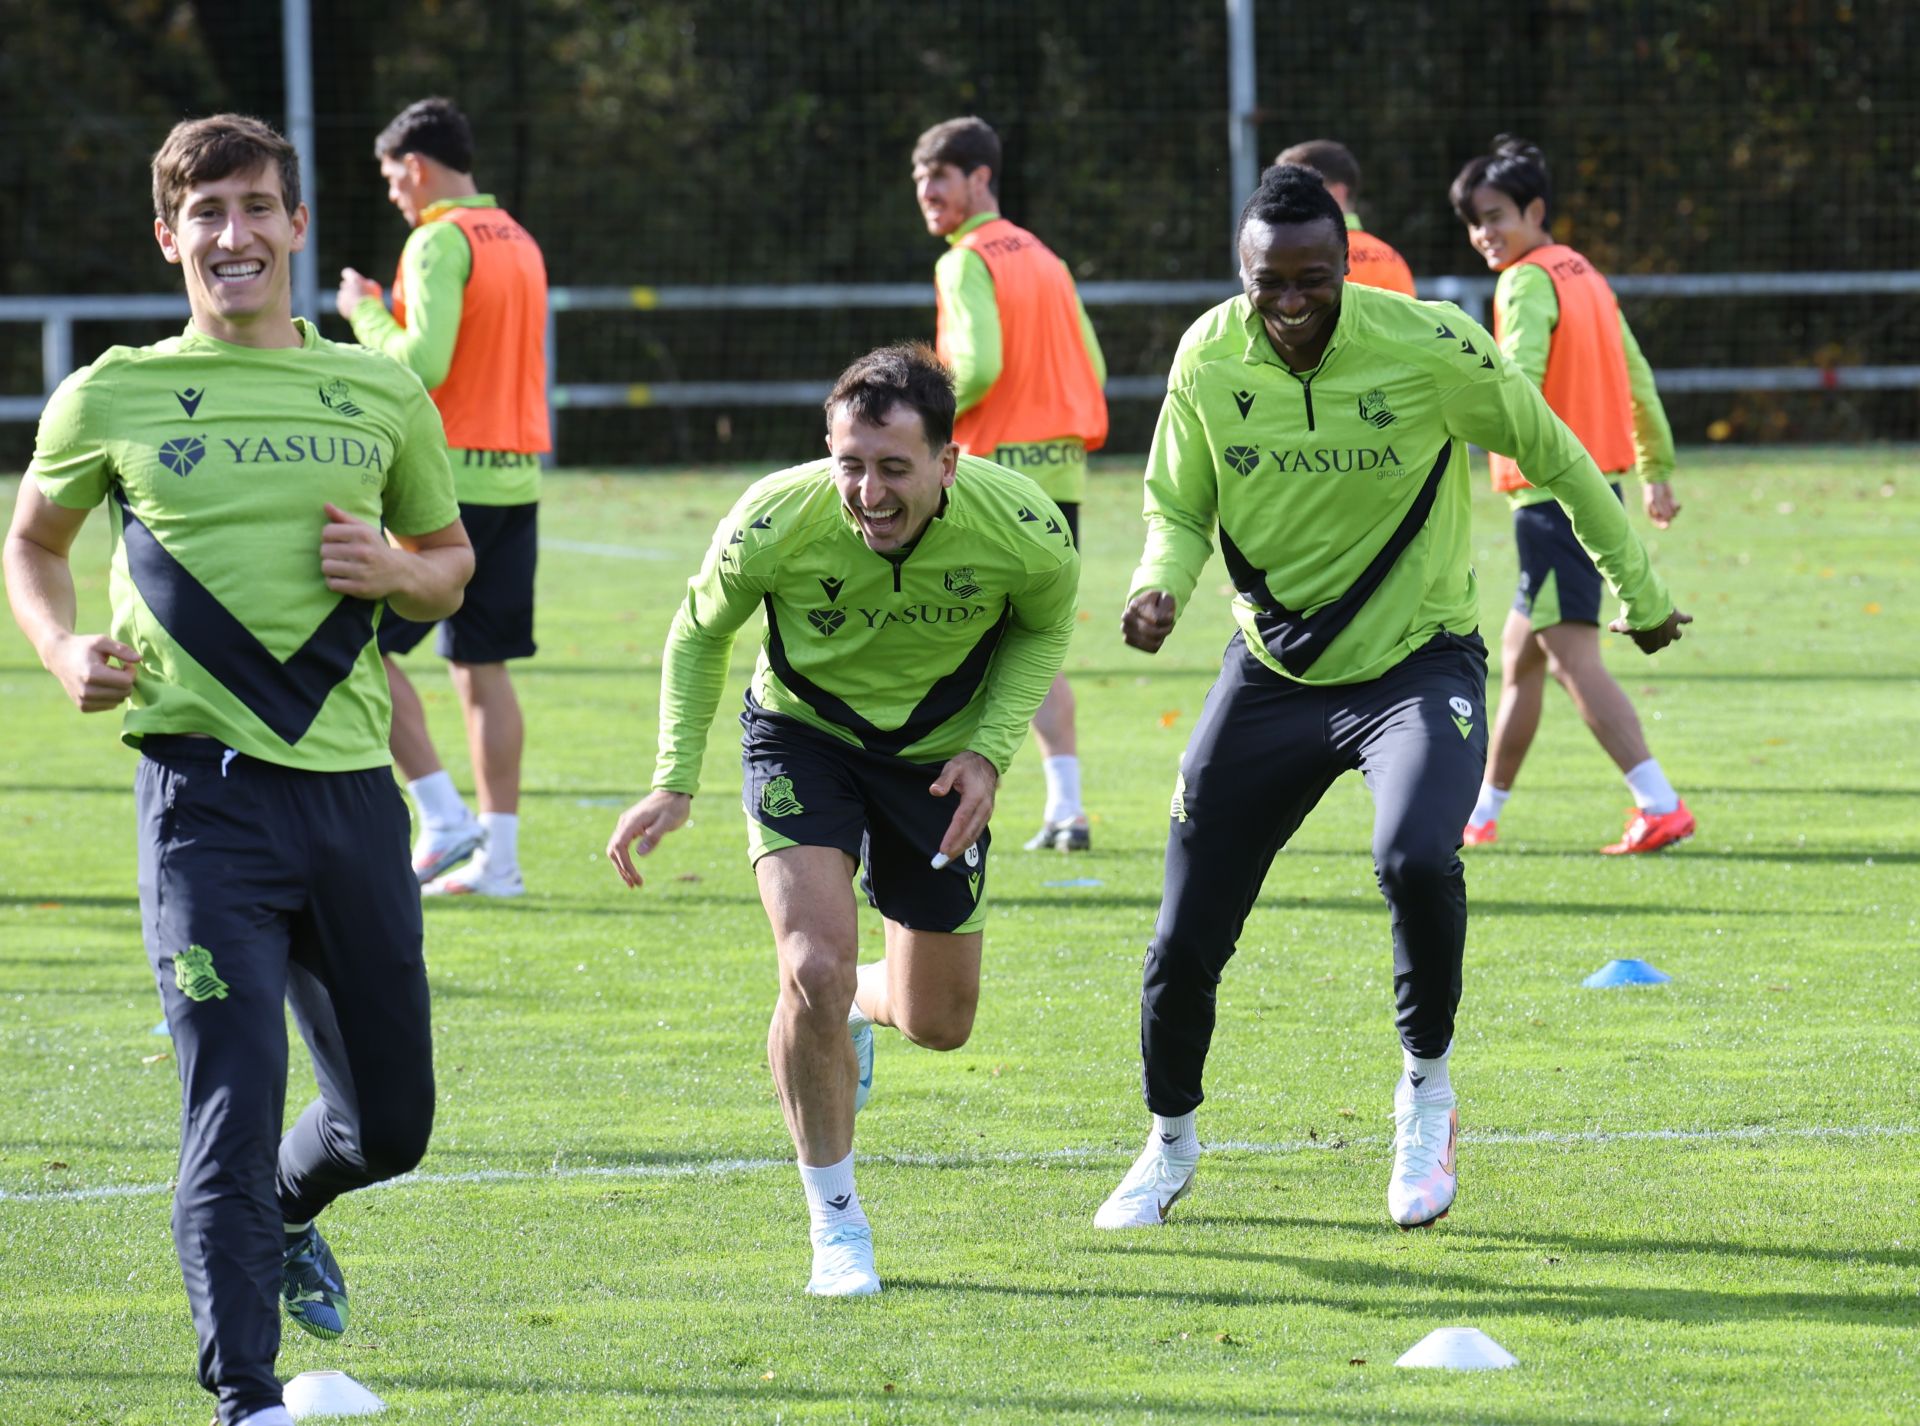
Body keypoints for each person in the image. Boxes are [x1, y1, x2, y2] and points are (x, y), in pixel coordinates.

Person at [1092, 165, 1689, 1234]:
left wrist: (1640, 590)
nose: (1290, 301)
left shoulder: (1428, 346)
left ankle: (1427, 1097)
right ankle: (1170, 1141)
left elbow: (1553, 451)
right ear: (1243, 270)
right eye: (1269, 280)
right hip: (1272, 673)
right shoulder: (1206, 356)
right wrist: (1157, 587)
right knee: (1183, 940)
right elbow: (1177, 504)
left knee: (1416, 856)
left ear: (1345, 265)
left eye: (1313, 278)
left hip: (1417, 666)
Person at [4, 115, 470, 1426]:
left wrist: (397, 574)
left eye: (257, 209)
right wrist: (57, 648)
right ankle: (247, 1396)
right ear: (169, 236)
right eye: (205, 215)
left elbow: (449, 560)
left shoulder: (379, 390)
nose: (234, 236)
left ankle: (285, 1203)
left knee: (393, 1123)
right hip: (202, 802)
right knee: (230, 1090)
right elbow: (31, 543)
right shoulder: (113, 394)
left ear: (298, 227)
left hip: (350, 797)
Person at [605, 343, 1079, 1296]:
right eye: (849, 464)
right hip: (802, 738)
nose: (867, 492)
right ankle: (836, 1224)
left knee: (939, 1024)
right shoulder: (775, 519)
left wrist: (989, 749)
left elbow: (1044, 624)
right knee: (808, 965)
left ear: (950, 463)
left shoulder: (1023, 528)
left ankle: (866, 996)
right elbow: (701, 631)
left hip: (937, 761)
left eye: (894, 468)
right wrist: (672, 778)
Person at [1450, 136, 1692, 854]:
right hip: (1594, 488)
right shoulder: (1584, 272)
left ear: (1535, 210)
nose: (1484, 234)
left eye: (1495, 216)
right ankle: (1481, 814)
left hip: (1551, 497)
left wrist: (1455, 422)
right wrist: (1655, 467)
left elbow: (1514, 376)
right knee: (1521, 658)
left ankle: (1659, 802)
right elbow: (1637, 372)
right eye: (1472, 222)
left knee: (1571, 659)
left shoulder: (1525, 281)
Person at [336, 96, 551, 896]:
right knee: (483, 668)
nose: (393, 192)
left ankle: (440, 810)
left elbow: (421, 365)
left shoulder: (437, 240)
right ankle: (500, 859)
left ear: (417, 167)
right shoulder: (517, 238)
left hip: (445, 491)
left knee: (356, 642)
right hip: (514, 479)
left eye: (393, 177)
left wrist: (362, 311)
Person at [912, 116, 1108, 852]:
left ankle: (931, 802)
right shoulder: (1046, 258)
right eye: (921, 178)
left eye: (942, 176)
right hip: (1058, 471)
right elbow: (1096, 366)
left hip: (992, 475)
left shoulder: (966, 261)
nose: (928, 191)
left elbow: (981, 366)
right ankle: (1066, 809)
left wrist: (916, 423)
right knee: (1030, 645)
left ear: (981, 178)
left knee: (942, 638)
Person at [1276, 138, 1417, 298]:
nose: (1284, 199)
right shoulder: (1392, 258)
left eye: (1296, 189)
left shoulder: (1305, 256)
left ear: (1337, 193)